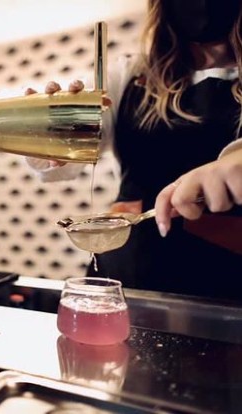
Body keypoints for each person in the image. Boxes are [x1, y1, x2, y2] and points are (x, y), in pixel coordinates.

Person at [27, 0, 242, 301]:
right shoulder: (128, 73)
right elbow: (65, 158)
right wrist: (50, 133)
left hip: (226, 278)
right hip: (128, 266)